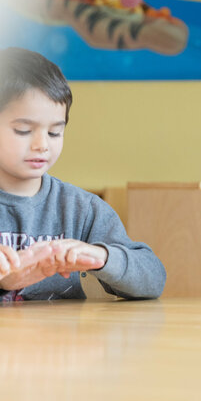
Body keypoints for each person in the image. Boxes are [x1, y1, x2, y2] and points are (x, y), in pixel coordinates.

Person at [0, 47, 166, 301]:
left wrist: (102, 257)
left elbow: (154, 279)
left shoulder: (81, 208)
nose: (42, 145)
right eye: (23, 130)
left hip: (63, 339)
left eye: (55, 132)